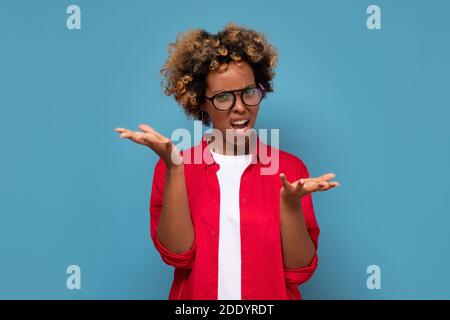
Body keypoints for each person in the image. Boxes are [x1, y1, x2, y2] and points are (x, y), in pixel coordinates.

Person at [115, 22, 339, 300]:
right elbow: (177, 255)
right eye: (223, 97)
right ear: (200, 102)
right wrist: (175, 169)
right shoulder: (173, 167)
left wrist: (290, 206)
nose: (240, 106)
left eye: (249, 92)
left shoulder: (290, 169)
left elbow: (298, 271)